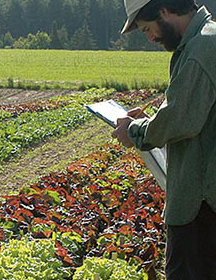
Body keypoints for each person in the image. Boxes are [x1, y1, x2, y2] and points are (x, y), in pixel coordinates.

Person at [112, 0, 216, 279]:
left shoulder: (202, 49)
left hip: (201, 203)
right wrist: (152, 117)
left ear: (163, 11)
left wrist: (135, 131)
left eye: (148, 29)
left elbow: (180, 119)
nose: (151, 38)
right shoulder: (206, 40)